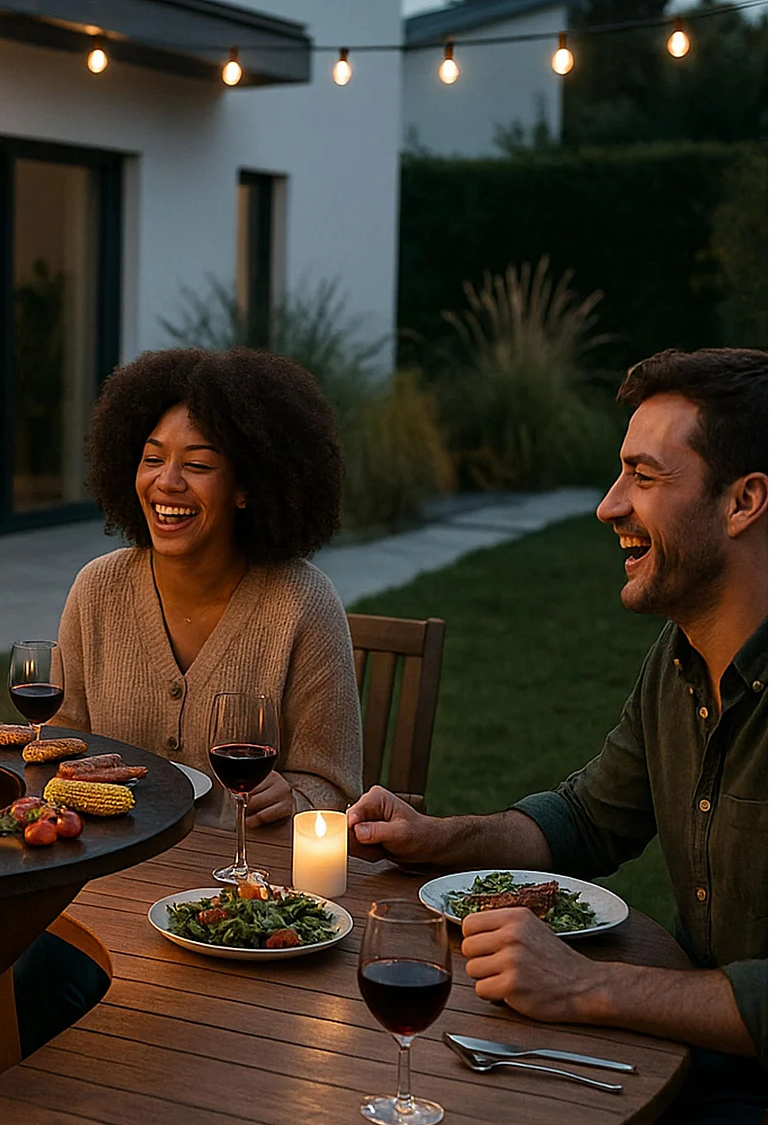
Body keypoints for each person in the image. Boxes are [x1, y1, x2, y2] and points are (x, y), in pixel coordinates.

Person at [347, 348, 766, 1121]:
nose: (609, 506)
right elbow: (587, 818)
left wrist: (584, 983)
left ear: (743, 502)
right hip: (682, 1061)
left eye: (645, 477)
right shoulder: (678, 660)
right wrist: (439, 837)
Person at [56, 347, 363, 827]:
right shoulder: (97, 589)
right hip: (112, 866)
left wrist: (296, 801)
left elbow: (334, 789)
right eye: (152, 458)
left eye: (197, 466)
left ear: (247, 487)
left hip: (243, 882)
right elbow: (63, 738)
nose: (167, 482)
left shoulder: (301, 604)